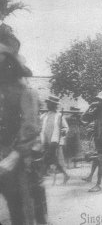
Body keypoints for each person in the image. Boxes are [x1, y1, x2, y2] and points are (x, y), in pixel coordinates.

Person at [0, 23, 47, 225]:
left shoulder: (24, 92)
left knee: (22, 211)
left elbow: (30, 127)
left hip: (16, 158)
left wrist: (15, 155)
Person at [40, 95, 70, 184]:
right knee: (52, 158)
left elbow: (66, 127)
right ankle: (65, 174)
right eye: (48, 103)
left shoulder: (59, 116)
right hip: (45, 140)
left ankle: (41, 175)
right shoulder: (44, 116)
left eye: (50, 104)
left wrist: (64, 131)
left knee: (50, 157)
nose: (48, 105)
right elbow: (40, 127)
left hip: (55, 140)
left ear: (54, 105)